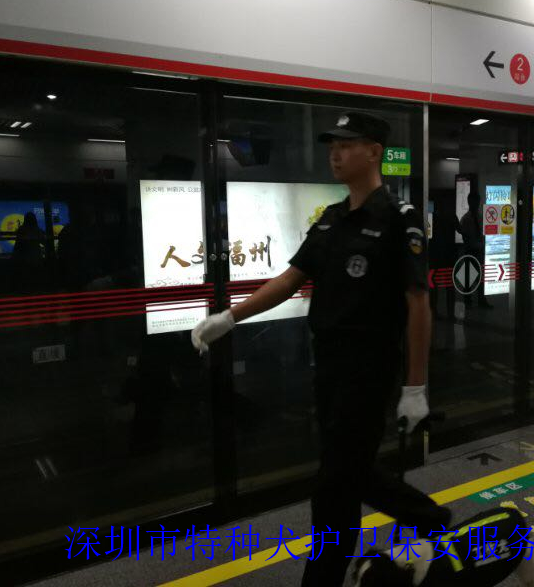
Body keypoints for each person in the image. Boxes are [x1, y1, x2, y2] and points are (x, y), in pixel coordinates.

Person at [190, 111, 451, 586]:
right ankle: (429, 521)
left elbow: (419, 304)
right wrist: (229, 317)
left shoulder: (400, 219)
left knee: (335, 483)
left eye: (346, 145)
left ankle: (403, 535)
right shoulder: (331, 220)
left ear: (374, 151)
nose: (335, 154)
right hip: (328, 368)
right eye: (333, 146)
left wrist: (416, 387)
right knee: (347, 475)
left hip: (368, 369)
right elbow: (290, 278)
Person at [458, 191, 492, 308]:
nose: (476, 204)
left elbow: (483, 233)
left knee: (480, 277)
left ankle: (481, 299)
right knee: (469, 277)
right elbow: (464, 235)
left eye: (477, 202)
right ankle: (468, 301)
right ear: (469, 202)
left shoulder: (480, 217)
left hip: (479, 250)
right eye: (474, 202)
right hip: (470, 250)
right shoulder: (466, 218)